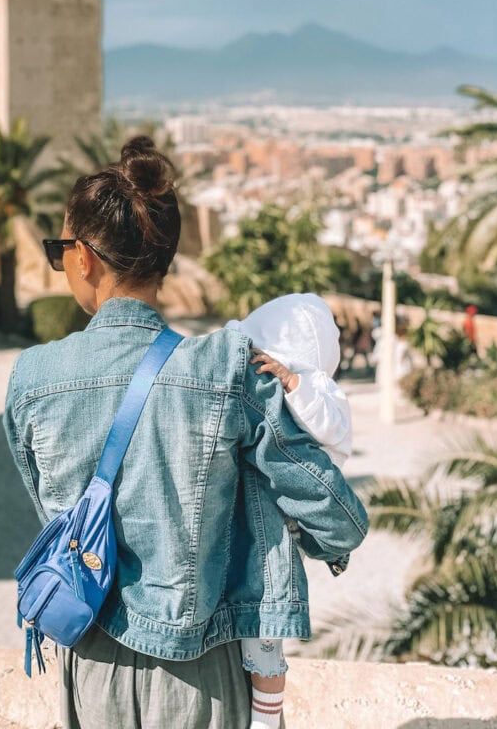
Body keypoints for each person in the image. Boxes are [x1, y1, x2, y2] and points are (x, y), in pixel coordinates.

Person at [4, 137, 368, 729]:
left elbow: (53, 512)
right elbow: (337, 517)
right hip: (203, 672)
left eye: (59, 248)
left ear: (84, 259)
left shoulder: (32, 379)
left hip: (89, 663)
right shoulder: (225, 369)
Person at [225, 293, 352, 729]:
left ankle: (266, 717)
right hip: (257, 515)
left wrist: (293, 383)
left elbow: (331, 430)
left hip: (281, 521)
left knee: (265, 624)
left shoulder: (317, 391)